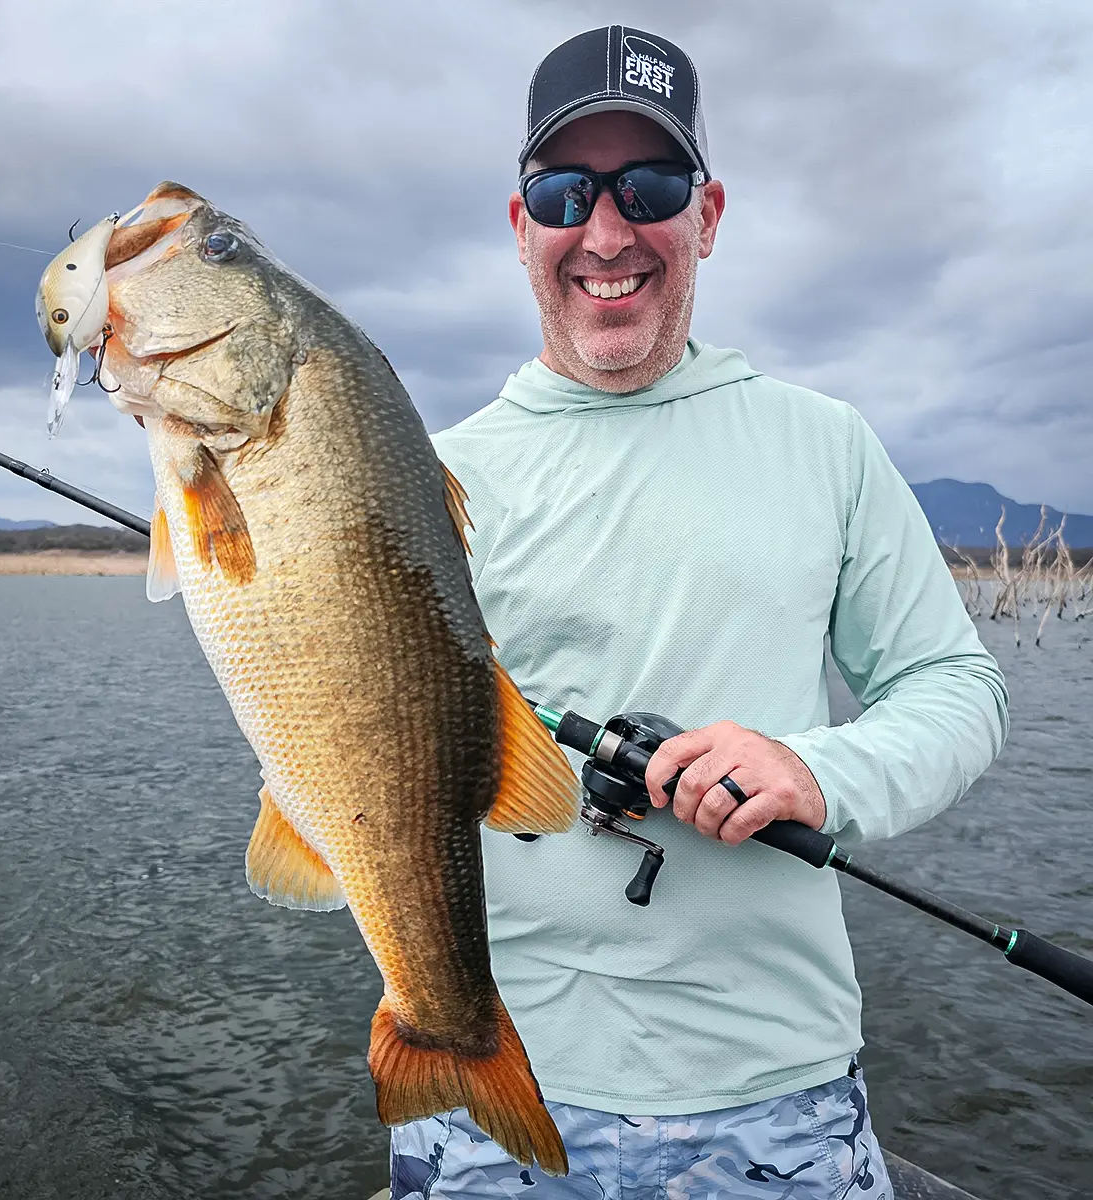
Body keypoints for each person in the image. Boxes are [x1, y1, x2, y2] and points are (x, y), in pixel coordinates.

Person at [390, 24, 1009, 1199]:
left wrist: (814, 771)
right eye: (567, 192)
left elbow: (958, 689)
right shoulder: (428, 481)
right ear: (521, 226)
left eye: (651, 186)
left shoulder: (824, 443)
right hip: (484, 1076)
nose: (608, 232)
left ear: (709, 214)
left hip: (774, 1095)